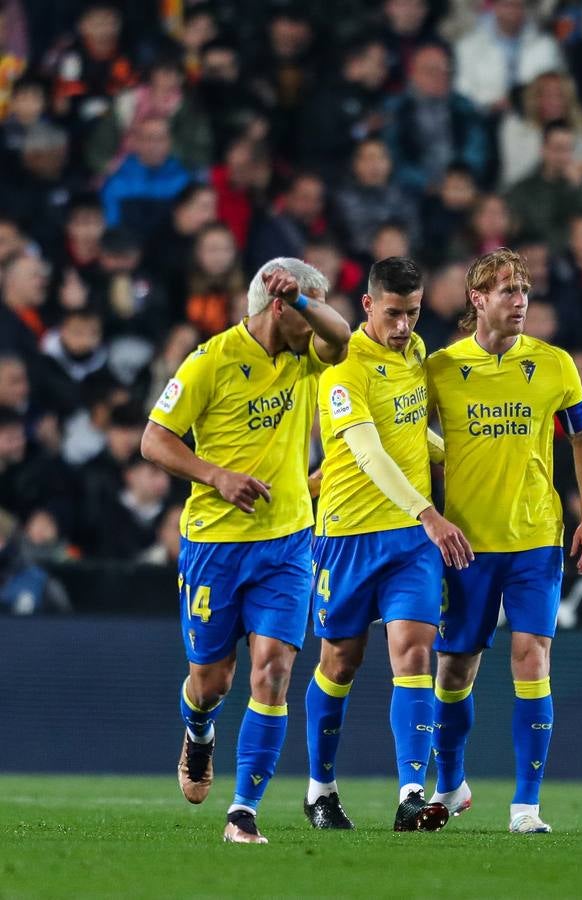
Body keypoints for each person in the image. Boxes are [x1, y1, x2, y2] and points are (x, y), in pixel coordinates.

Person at [140, 258, 351, 844]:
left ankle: (243, 812)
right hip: (215, 545)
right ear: (277, 308)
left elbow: (342, 336)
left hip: (287, 543)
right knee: (211, 682)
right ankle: (199, 730)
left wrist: (306, 302)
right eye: (306, 307)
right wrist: (216, 476)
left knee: (274, 670)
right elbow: (154, 440)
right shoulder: (209, 361)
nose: (316, 319)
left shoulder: (307, 355)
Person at [425, 248, 582, 834]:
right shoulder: (442, 369)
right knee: (455, 671)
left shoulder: (554, 364)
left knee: (532, 656)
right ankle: (451, 785)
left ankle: (526, 807)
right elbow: (407, 436)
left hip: (535, 538)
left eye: (524, 289)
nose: (520, 300)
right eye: (507, 290)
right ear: (477, 299)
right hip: (466, 544)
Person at [302, 257, 470, 833]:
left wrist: (465, 455)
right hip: (348, 535)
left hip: (410, 541)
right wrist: (431, 512)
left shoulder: (417, 352)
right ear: (368, 305)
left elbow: (411, 434)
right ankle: (321, 790)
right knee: (340, 662)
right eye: (394, 314)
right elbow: (370, 453)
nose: (404, 326)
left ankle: (411, 794)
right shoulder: (343, 369)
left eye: (414, 313)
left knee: (415, 653)